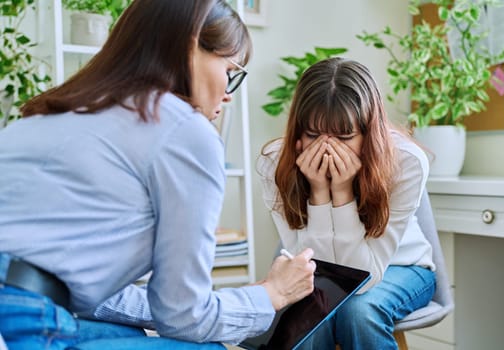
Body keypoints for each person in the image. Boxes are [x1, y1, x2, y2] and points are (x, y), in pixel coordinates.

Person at [0, 1, 316, 349]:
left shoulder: (58, 110)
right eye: (230, 69)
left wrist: (240, 301)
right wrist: (272, 294)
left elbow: (93, 295)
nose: (227, 94)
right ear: (190, 44)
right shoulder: (184, 130)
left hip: (21, 297)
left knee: (126, 334)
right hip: (20, 311)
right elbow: (185, 317)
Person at [257, 58, 436, 349]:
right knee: (312, 319)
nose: (327, 149)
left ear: (368, 134)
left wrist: (341, 193)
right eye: (313, 135)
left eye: (344, 137)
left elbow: (365, 280)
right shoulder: (275, 164)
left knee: (358, 312)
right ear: (298, 133)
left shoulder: (407, 161)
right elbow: (317, 267)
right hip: (322, 275)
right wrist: (318, 194)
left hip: (403, 266)